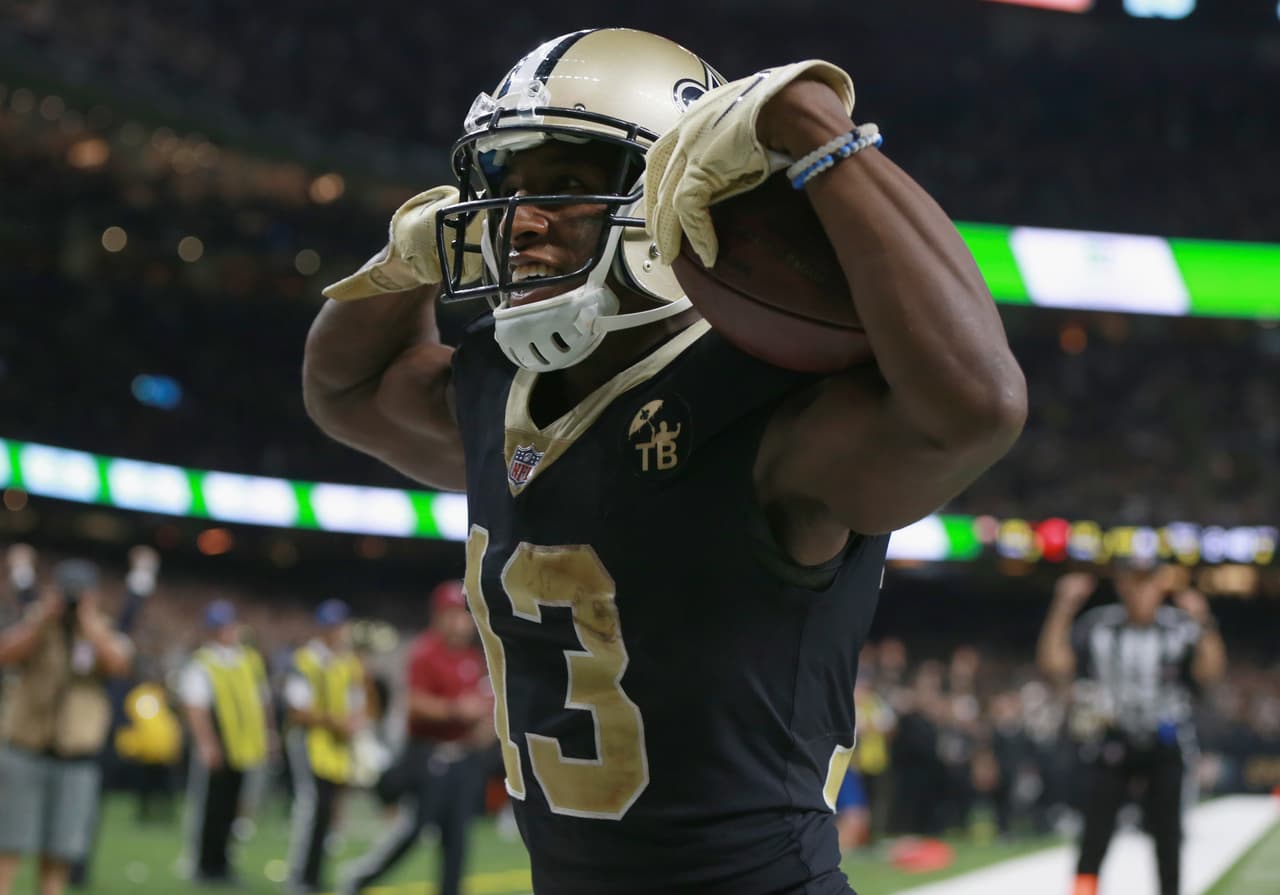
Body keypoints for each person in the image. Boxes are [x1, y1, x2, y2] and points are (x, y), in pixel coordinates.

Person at [303, 28, 1026, 894]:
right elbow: (341, 390)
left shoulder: (761, 399)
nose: (520, 220)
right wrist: (403, 257)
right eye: (507, 189)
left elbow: (979, 406)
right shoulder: (498, 381)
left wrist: (813, 127)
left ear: (672, 191)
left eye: (567, 186)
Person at [1037, 565, 1227, 895]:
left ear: (1160, 585)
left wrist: (1204, 619)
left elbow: (1211, 674)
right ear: (1121, 585)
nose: (1140, 592)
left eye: (1147, 582)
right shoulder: (1099, 625)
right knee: (1094, 836)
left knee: (1168, 839)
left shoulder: (1178, 627)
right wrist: (1063, 607)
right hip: (1111, 739)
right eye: (1133, 582)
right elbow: (1055, 666)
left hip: (1165, 742)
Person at [339, 580, 493, 895]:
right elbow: (413, 703)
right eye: (453, 614)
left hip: (462, 757)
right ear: (438, 615)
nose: (460, 622)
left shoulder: (471, 657)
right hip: (426, 755)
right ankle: (362, 877)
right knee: (414, 829)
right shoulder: (424, 652)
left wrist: (483, 726)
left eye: (464, 615)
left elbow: (480, 708)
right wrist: (455, 710)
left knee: (457, 836)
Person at [0, 558, 133, 895]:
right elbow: (6, 653)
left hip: (76, 757)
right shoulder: (37, 622)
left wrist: (89, 623)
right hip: (25, 750)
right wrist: (43, 619)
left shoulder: (102, 629)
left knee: (58, 854)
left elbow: (119, 665)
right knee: (7, 845)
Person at [178, 598, 274, 886]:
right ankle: (202, 864)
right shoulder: (202, 662)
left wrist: (268, 733)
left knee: (233, 809)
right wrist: (207, 743)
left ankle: (222, 863)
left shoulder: (248, 659)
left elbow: (262, 700)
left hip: (243, 746)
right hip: (219, 743)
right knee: (209, 806)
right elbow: (196, 707)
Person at [283, 599, 364, 895]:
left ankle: (315, 875)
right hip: (309, 743)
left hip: (336, 748)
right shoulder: (306, 659)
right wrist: (336, 721)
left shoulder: (347, 661)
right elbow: (297, 710)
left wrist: (353, 723)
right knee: (310, 810)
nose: (339, 631)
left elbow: (357, 703)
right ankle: (300, 876)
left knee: (328, 814)